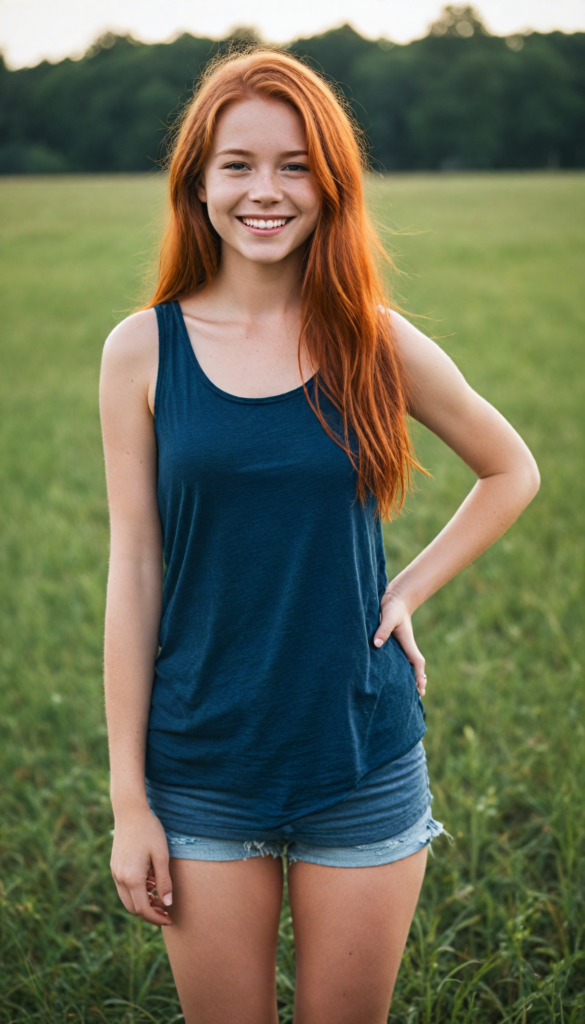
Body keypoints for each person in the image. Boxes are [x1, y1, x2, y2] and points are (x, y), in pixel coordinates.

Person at [99, 47, 540, 1024]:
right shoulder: (142, 349)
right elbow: (135, 568)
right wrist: (132, 799)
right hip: (202, 761)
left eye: (295, 164)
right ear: (199, 183)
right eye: (240, 163)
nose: (267, 190)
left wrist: (406, 588)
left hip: (362, 751)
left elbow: (512, 468)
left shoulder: (373, 339)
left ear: (329, 183)